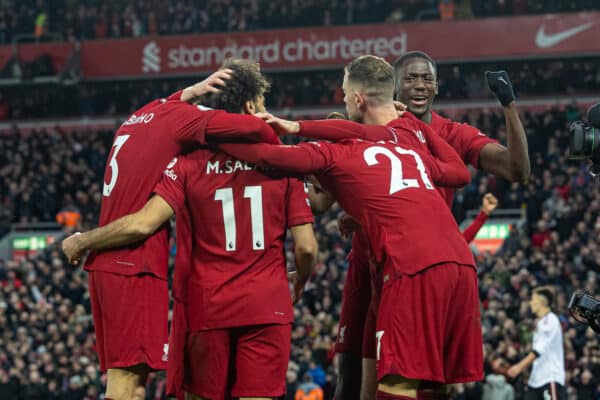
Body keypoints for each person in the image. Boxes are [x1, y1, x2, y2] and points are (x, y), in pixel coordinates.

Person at [218, 55, 483, 400]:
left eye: (345, 96)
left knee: (396, 385)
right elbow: (460, 174)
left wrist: (215, 133)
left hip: (412, 267)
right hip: (461, 265)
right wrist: (420, 129)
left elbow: (271, 158)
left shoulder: (337, 155)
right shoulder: (409, 141)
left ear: (357, 100)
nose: (343, 102)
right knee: (434, 386)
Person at [63, 59, 318, 400]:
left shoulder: (185, 163)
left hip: (206, 304)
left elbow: (146, 220)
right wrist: (299, 279)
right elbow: (307, 247)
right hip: (266, 302)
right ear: (251, 105)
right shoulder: (283, 163)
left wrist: (85, 239)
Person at [335, 50, 530, 400]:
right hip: (368, 264)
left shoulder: (450, 134)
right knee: (350, 374)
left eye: (426, 78)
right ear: (393, 84)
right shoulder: (368, 124)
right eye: (410, 78)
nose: (419, 85)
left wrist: (508, 105)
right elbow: (336, 192)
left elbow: (517, 169)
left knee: (429, 382)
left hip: (418, 272)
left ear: (437, 86)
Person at [506, 287, 566, 400]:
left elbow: (539, 350)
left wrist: (519, 367)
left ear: (542, 302)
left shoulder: (550, 319)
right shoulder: (541, 323)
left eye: (533, 300)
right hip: (535, 381)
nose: (530, 303)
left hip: (549, 378)